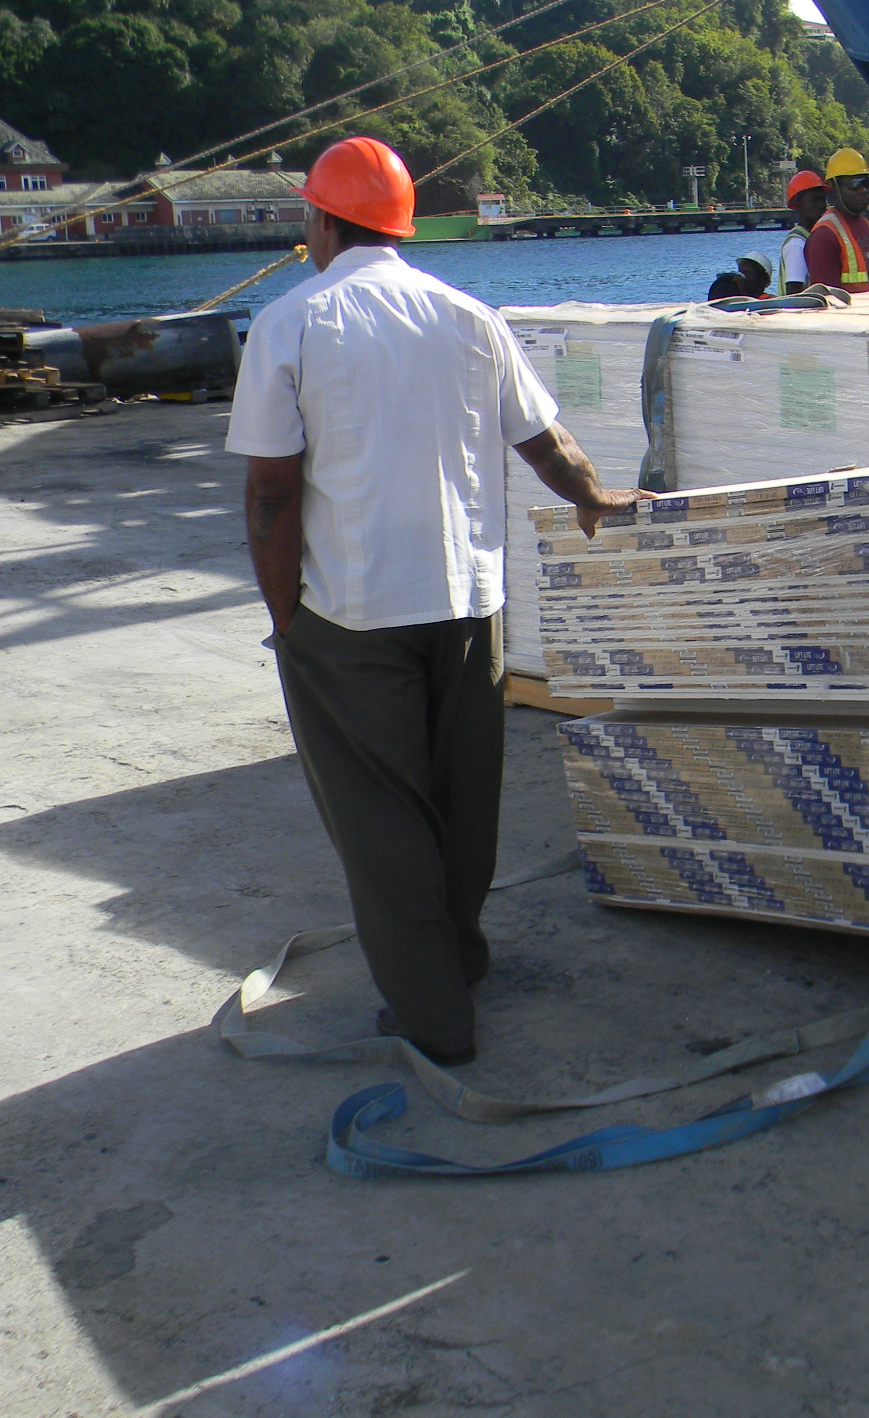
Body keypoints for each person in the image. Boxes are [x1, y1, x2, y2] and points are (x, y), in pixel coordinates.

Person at [227, 136, 644, 1067]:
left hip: (350, 613)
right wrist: (594, 497)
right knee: (463, 800)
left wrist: (287, 621)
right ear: (400, 225)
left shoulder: (291, 325)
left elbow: (272, 495)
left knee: (382, 821)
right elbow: (546, 440)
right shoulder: (469, 316)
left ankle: (435, 1019)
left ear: (322, 221)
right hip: (468, 606)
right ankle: (459, 959)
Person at [804, 148, 869, 294]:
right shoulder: (824, 236)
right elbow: (827, 300)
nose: (863, 190)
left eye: (866, 183)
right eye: (854, 184)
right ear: (834, 187)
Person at [780, 170, 826, 293]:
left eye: (823, 199)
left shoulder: (809, 238)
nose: (821, 205)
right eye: (814, 200)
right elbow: (794, 294)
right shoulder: (797, 244)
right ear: (797, 202)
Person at [706, 250, 773, 301]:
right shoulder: (727, 285)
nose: (742, 277)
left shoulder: (769, 301)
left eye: (748, 273)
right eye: (741, 272)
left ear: (762, 280)